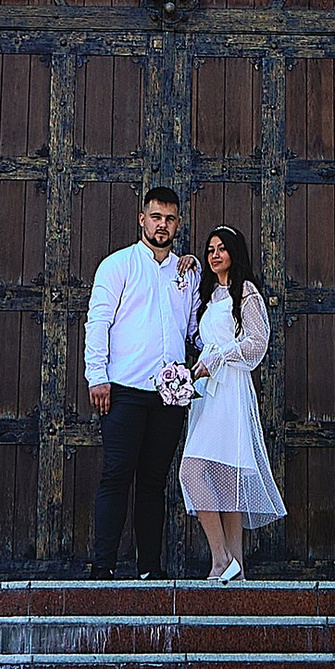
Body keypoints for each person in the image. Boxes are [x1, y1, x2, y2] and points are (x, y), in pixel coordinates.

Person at [83, 185, 198, 579]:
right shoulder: (117, 266)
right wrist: (97, 377)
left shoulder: (188, 272)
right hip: (124, 391)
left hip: (170, 395)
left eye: (169, 219)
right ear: (142, 219)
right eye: (155, 217)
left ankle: (150, 568)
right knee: (116, 474)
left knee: (154, 481)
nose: (161, 225)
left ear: (177, 223)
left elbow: (194, 330)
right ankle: (104, 567)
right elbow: (98, 322)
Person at [179, 224, 284, 581]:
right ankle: (232, 567)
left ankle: (223, 561)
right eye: (210, 249)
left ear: (234, 253)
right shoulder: (209, 297)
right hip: (207, 394)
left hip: (231, 391)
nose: (214, 255)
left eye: (221, 248)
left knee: (206, 472)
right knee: (211, 476)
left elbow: (258, 342)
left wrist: (221, 357)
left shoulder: (247, 293)